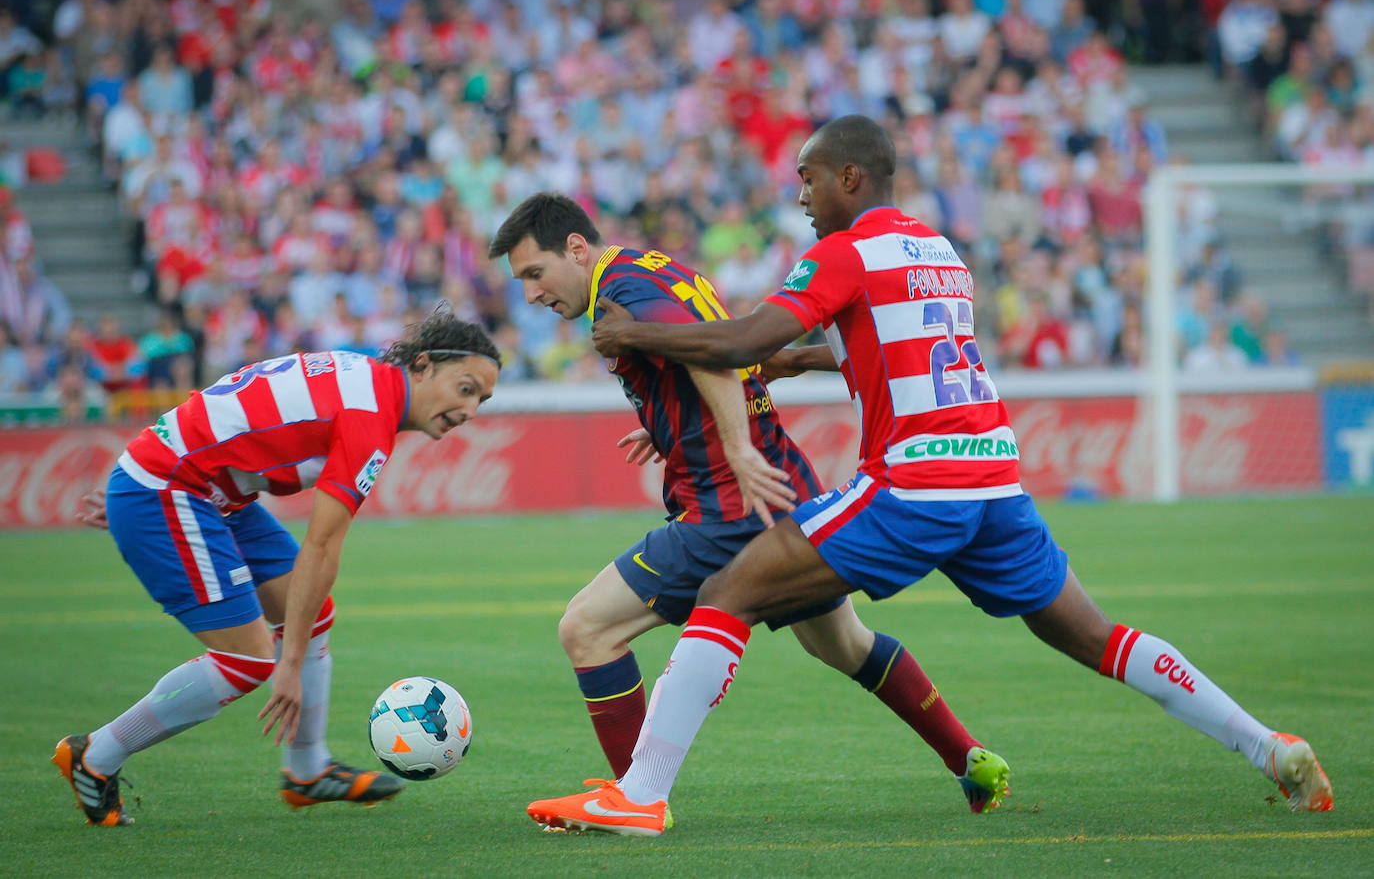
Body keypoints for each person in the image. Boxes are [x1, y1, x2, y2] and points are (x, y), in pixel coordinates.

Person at [526, 116, 1334, 835]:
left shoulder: (844, 253)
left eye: (807, 176)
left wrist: (642, 337)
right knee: (1096, 637)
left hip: (917, 486)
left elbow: (736, 341)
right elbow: (860, 349)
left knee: (727, 593)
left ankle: (641, 796)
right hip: (995, 483)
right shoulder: (936, 252)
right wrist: (781, 365)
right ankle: (1269, 746)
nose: (800, 194)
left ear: (851, 177)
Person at [489, 192, 1009, 816]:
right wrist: (670, 424)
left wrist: (733, 446)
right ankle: (969, 757)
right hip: (784, 483)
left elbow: (711, 352)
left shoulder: (621, 289)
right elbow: (706, 351)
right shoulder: (653, 266)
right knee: (842, 643)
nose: (532, 294)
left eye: (535, 274)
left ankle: (635, 796)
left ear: (576, 248)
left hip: (728, 501)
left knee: (588, 628)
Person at [53, 311, 502, 826]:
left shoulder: (367, 385)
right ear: (422, 366)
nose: (469, 409)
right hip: (174, 488)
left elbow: (233, 407)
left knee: (313, 614)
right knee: (251, 660)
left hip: (199, 487)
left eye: (481, 399)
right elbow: (321, 548)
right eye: (465, 389)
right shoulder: (369, 417)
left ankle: (307, 771)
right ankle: (96, 756)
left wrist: (142, 470)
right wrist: (287, 665)